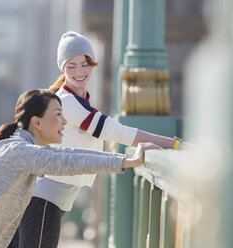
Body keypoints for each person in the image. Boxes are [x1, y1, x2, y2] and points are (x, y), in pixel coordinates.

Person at [0, 89, 161, 248]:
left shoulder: (24, 150)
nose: (64, 122)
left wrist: (123, 160)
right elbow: (67, 162)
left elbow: (68, 155)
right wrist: (127, 161)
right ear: (37, 122)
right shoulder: (17, 151)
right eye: (58, 114)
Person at [12, 31, 189, 248]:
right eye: (72, 66)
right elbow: (120, 133)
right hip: (42, 202)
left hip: (46, 201)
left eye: (85, 64)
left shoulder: (77, 101)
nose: (79, 71)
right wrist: (178, 145)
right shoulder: (68, 103)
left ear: (93, 64)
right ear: (63, 68)